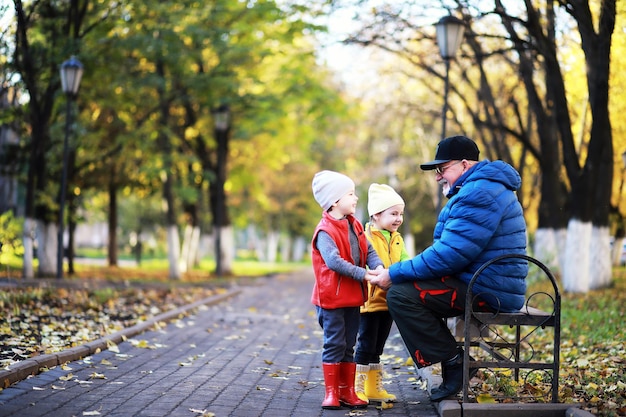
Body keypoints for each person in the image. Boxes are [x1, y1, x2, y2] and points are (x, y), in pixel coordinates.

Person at [368, 135, 528, 402]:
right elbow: (452, 251)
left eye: (442, 169)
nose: (437, 176)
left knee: (400, 295)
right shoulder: (481, 188)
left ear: (464, 165)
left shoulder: (480, 192)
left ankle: (455, 363)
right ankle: (453, 361)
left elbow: (449, 254)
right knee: (405, 291)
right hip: (484, 282)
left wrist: (394, 273)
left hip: (487, 290)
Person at [310, 170, 384, 410]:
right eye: (350, 194)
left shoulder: (355, 226)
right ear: (334, 201)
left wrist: (378, 266)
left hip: (352, 298)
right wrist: (363, 274)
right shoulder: (325, 231)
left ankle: (348, 391)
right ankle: (331, 393)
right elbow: (334, 262)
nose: (355, 198)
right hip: (331, 299)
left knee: (349, 344)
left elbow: (369, 250)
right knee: (335, 344)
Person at [354, 183, 410, 403]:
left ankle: (373, 388)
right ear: (376, 215)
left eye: (401, 214)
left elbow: (405, 260)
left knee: (379, 345)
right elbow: (364, 263)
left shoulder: (397, 238)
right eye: (393, 213)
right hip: (369, 301)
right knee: (366, 344)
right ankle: (357, 386)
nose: (398, 219)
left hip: (389, 301)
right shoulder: (366, 237)